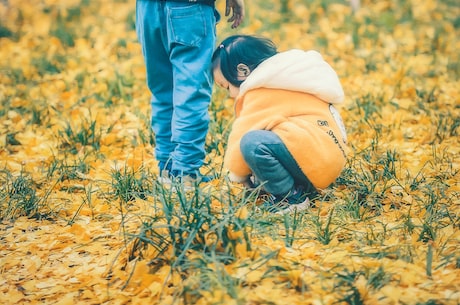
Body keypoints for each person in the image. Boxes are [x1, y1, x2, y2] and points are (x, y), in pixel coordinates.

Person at [212, 35, 348, 214]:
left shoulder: (259, 91)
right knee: (269, 137)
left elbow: (241, 133)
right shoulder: (288, 79)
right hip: (327, 159)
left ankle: (291, 198)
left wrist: (238, 175)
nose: (230, 95)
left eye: (226, 86)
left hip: (316, 160)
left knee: (253, 143)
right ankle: (293, 185)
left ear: (242, 71)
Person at [135, 0, 245, 183]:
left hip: (147, 9)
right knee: (191, 93)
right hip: (190, 8)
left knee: (163, 91)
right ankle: (185, 172)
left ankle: (167, 169)